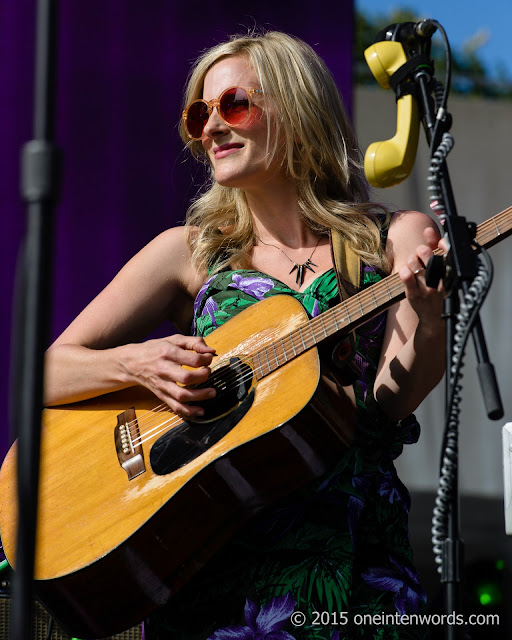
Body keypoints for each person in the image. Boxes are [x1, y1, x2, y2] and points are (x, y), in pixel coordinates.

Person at [44, 30, 445, 640]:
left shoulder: (390, 239)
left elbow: (389, 405)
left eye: (233, 105)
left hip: (353, 565)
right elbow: (43, 371)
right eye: (198, 114)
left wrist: (429, 313)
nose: (211, 129)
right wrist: (137, 365)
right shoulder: (189, 253)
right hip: (212, 574)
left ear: (297, 108)